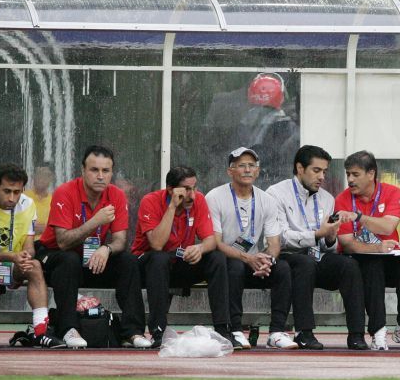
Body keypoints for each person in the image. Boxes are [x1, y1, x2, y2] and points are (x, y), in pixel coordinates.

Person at [36, 145, 151, 349]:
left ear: (111, 173)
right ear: (83, 170)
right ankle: (68, 328)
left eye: (105, 171)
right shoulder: (65, 192)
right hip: (55, 257)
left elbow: (120, 240)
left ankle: (132, 331)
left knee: (128, 261)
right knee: (69, 259)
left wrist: (106, 249)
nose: (100, 176)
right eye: (94, 170)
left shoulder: (116, 195)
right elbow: (63, 242)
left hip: (92, 259)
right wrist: (95, 221)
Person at [267, 145, 368, 350]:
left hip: (315, 256)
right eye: (316, 170)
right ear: (300, 168)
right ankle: (304, 332)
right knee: (304, 263)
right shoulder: (276, 194)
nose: (322, 177)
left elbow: (328, 247)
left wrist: (330, 237)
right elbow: (281, 238)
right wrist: (316, 234)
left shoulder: (327, 198)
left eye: (324, 171)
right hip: (287, 257)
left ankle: (357, 334)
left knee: (349, 265)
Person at [132, 165, 239, 349]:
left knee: (216, 258)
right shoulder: (150, 201)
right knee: (159, 258)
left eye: (194, 188)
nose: (193, 195)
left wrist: (199, 248)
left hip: (180, 261)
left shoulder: (198, 200)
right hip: (148, 265)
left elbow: (210, 240)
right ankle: (158, 331)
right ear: (170, 189)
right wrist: (172, 206)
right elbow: (157, 244)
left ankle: (224, 329)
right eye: (187, 189)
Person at [206, 147, 297, 349]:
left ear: (257, 170)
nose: (247, 170)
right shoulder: (215, 196)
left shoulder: (267, 200)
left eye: (251, 165)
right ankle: (235, 330)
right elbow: (216, 242)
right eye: (241, 166)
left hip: (255, 262)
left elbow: (274, 242)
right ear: (230, 171)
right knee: (234, 266)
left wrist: (267, 261)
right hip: (227, 261)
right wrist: (248, 258)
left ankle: (276, 332)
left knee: (282, 268)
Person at [0, 163, 65, 348]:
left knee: (35, 266)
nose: (12, 198)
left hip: (13, 263)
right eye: (7, 191)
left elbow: (29, 246)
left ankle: (41, 332)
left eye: (17, 192)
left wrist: (25, 257)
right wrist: (12, 257)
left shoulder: (28, 204)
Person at [335, 150, 400, 351]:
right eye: (348, 174)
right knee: (372, 263)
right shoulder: (342, 199)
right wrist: (376, 247)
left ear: (371, 173)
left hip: (390, 258)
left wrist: (358, 217)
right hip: (360, 260)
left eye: (355, 174)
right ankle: (378, 330)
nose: (350, 179)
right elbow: (346, 243)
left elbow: (388, 227)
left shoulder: (393, 192)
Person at [24, 165, 54, 240]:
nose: (41, 179)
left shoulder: (54, 200)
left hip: (48, 243)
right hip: (26, 242)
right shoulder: (24, 197)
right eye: (39, 175)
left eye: (45, 176)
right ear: (34, 178)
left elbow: (56, 228)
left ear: (50, 179)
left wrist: (44, 229)